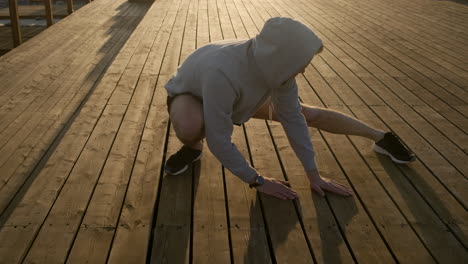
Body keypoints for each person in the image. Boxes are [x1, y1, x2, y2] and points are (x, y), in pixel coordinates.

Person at [163, 17, 415, 200]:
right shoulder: (222, 71)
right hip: (191, 94)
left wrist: (313, 175)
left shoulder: (278, 70)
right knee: (191, 126)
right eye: (300, 63)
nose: (303, 69)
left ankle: (380, 137)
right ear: (281, 57)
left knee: (307, 114)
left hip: (241, 93)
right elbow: (219, 139)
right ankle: (193, 148)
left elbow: (293, 119)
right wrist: (256, 180)